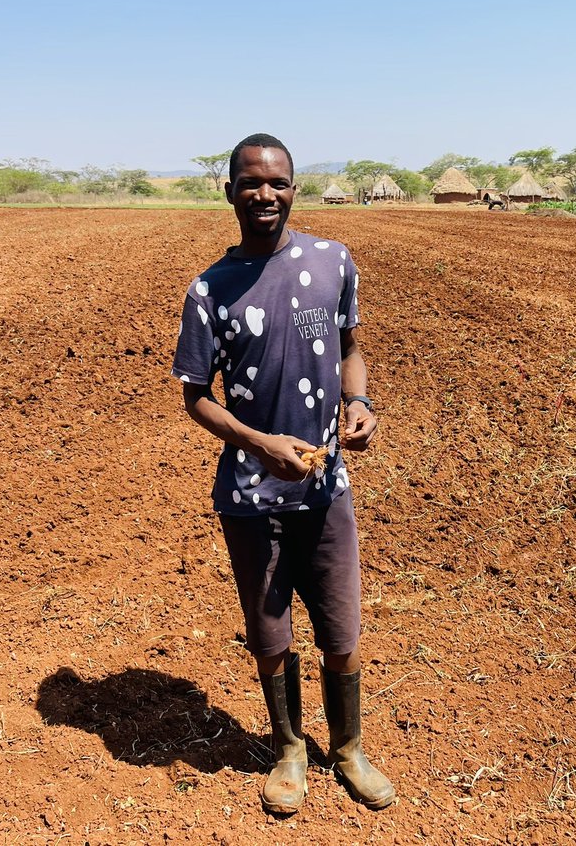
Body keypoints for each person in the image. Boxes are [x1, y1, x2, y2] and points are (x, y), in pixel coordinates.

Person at [171, 133, 394, 814]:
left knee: (342, 628)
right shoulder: (211, 288)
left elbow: (351, 349)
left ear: (293, 188)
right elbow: (195, 394)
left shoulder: (333, 262)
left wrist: (358, 403)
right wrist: (256, 442)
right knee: (271, 637)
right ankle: (291, 747)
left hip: (327, 490)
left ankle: (349, 747)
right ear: (230, 190)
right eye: (250, 182)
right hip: (250, 496)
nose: (264, 193)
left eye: (278, 182)